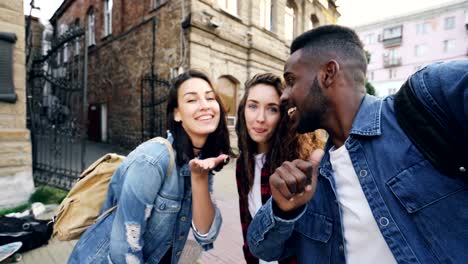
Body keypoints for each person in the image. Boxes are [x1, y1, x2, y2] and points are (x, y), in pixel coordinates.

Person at [246, 25, 468, 263]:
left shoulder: (426, 100)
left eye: (291, 80)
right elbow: (262, 248)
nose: (283, 96)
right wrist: (282, 209)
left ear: (328, 74)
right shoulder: (312, 182)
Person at [68, 70, 233, 264]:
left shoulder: (202, 162)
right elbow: (124, 250)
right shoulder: (152, 159)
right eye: (192, 100)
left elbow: (206, 235)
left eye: (210, 98)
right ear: (177, 114)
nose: (205, 106)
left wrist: (200, 178)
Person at [235, 73, 324, 264]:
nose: (260, 118)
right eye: (253, 106)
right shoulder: (243, 164)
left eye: (272, 109)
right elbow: (248, 226)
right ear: (243, 109)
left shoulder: (300, 164)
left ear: (283, 114)